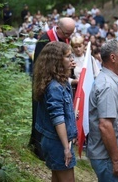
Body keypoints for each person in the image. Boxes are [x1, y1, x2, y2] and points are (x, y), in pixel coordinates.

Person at [88, 39, 118, 181]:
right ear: (113, 58)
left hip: (113, 153)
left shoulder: (114, 79)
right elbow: (105, 125)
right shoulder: (108, 85)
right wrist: (116, 160)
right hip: (108, 158)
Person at [30, 17, 76, 160]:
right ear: (58, 28)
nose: (68, 37)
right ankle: (39, 148)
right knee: (45, 115)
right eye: (66, 34)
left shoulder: (65, 39)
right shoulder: (45, 40)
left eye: (71, 34)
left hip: (61, 81)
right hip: (47, 84)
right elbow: (41, 66)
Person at [33, 42, 77, 181]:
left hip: (57, 141)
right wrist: (66, 148)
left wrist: (71, 115)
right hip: (57, 143)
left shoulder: (61, 82)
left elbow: (62, 112)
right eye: (68, 57)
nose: (72, 60)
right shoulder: (54, 87)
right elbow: (58, 119)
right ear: (57, 61)